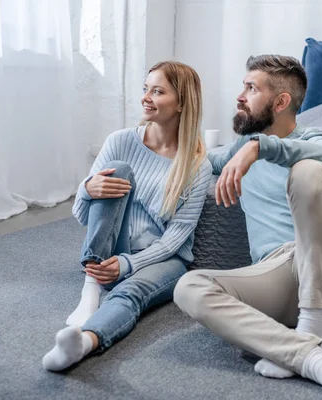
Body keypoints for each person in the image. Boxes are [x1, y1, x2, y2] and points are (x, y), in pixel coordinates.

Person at [173, 55, 322, 399]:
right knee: (189, 287)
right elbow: (198, 159)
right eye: (243, 86)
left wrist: (259, 148)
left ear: (280, 102)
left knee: (309, 171)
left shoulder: (316, 138)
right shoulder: (240, 147)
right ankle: (310, 358)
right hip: (278, 274)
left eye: (251, 88)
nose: (239, 95)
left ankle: (311, 325)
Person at [42, 61, 212, 372]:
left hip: (165, 259)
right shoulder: (120, 141)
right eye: (146, 89)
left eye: (158, 91)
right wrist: (87, 189)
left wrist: (129, 264)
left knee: (130, 292)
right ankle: (91, 285)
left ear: (182, 102)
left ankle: (85, 342)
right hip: (112, 247)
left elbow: (176, 237)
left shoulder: (197, 165)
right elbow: (81, 215)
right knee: (118, 171)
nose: (146, 97)